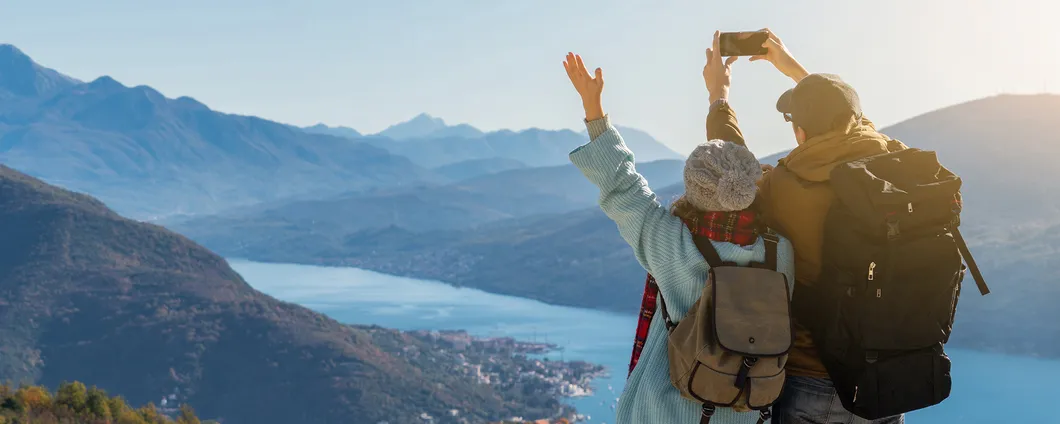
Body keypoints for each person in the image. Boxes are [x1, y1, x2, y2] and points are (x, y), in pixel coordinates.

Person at [562, 51, 795, 424]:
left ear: (694, 190)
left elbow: (622, 186)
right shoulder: (779, 252)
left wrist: (594, 108)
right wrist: (720, 94)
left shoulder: (673, 244)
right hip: (746, 410)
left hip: (666, 408)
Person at [702, 30, 907, 424]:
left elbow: (736, 174)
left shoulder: (787, 185)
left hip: (812, 378)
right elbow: (852, 122)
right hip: (887, 379)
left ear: (799, 130)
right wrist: (795, 71)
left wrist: (719, 97)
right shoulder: (894, 161)